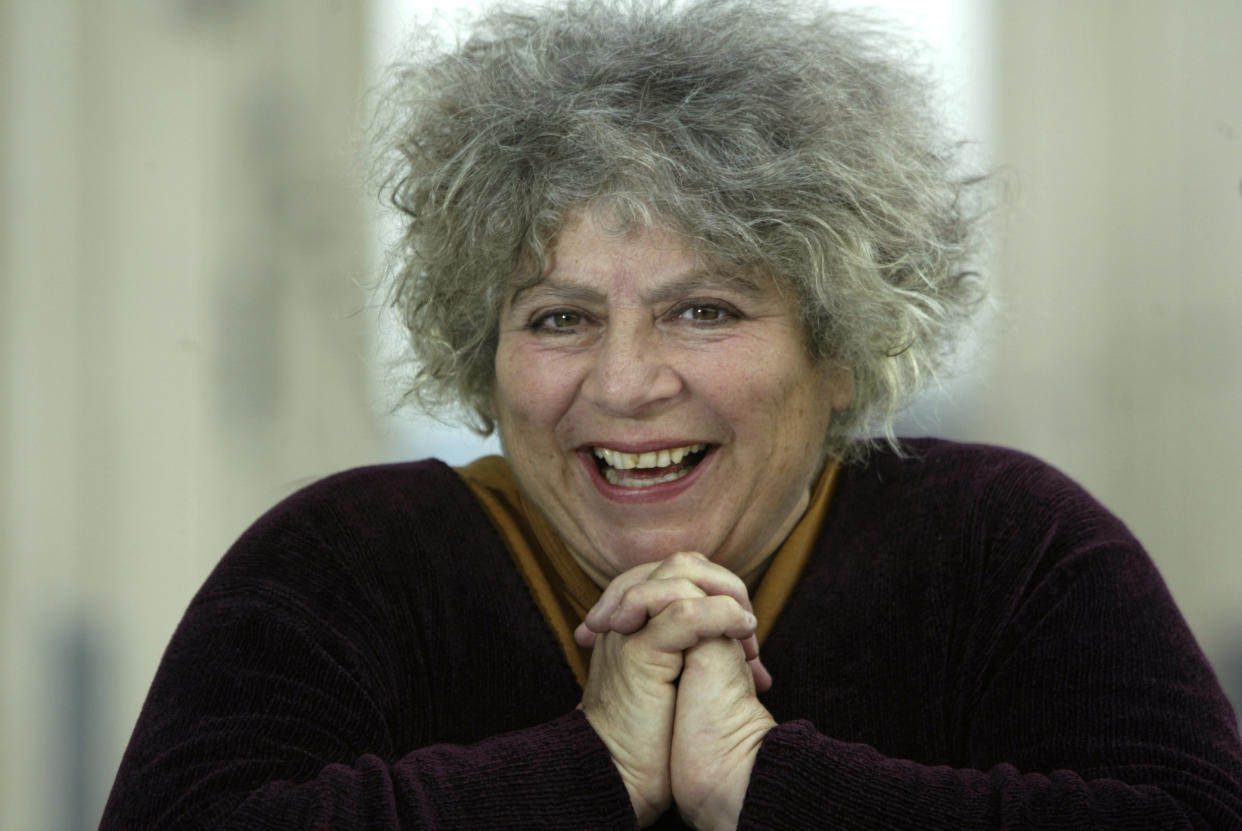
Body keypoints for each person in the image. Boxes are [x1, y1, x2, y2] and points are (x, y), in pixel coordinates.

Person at [99, 0, 1242, 828]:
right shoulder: (343, 559)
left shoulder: (1011, 545)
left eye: (704, 309)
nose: (626, 382)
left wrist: (763, 780)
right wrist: (589, 768)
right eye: (558, 318)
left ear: (838, 347)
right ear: (483, 353)